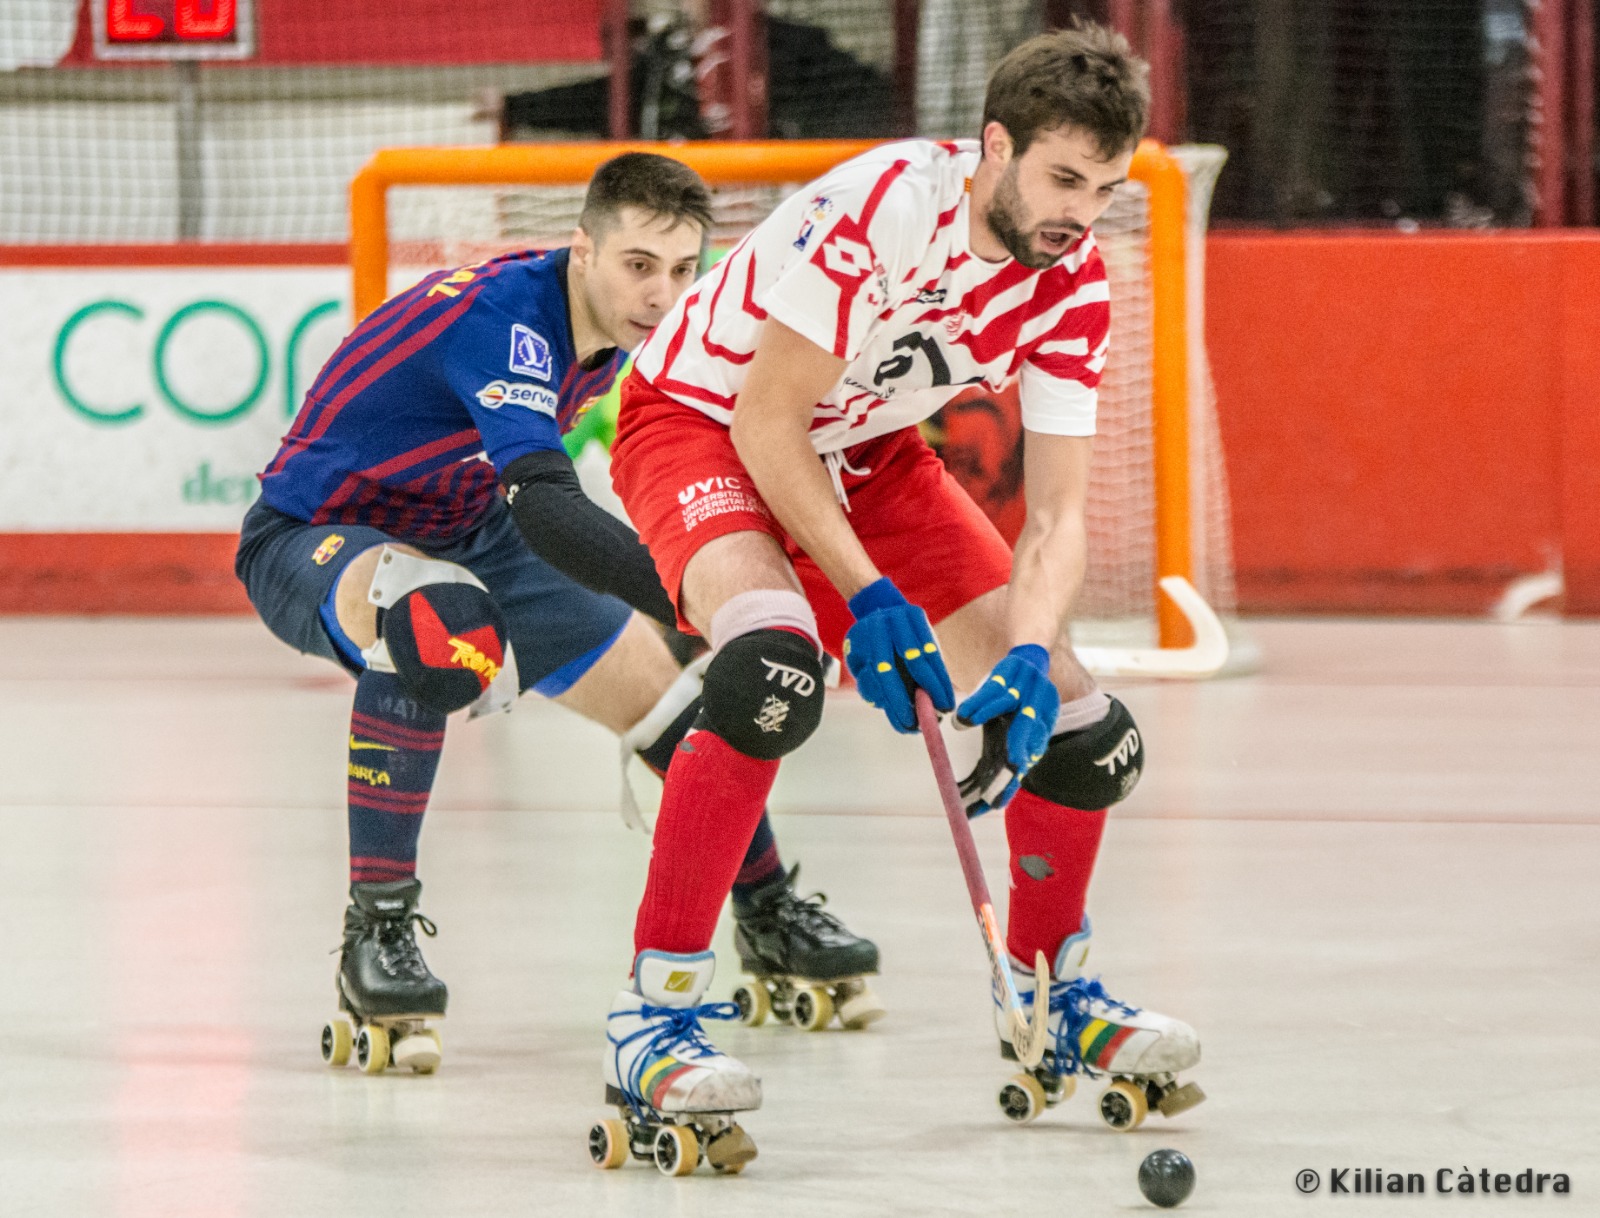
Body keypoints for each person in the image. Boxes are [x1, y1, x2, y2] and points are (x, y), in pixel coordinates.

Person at [592, 22, 1201, 1170]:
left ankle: (1052, 995)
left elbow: (1060, 517)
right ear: (995, 147)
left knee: (1085, 731)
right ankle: (652, 1015)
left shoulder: (1073, 285)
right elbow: (767, 423)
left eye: (1107, 189)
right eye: (1063, 179)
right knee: (771, 670)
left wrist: (1024, 654)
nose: (1081, 212)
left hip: (872, 455)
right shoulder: (885, 208)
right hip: (700, 426)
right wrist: (868, 598)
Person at [233, 153, 881, 1078]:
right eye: (638, 266)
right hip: (315, 534)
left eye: (682, 270)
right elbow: (547, 504)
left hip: (472, 529)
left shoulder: (616, 329)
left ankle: (768, 908)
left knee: (666, 700)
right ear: (583, 249)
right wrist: (713, 603)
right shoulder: (506, 321)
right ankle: (373, 933)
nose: (662, 294)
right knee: (429, 621)